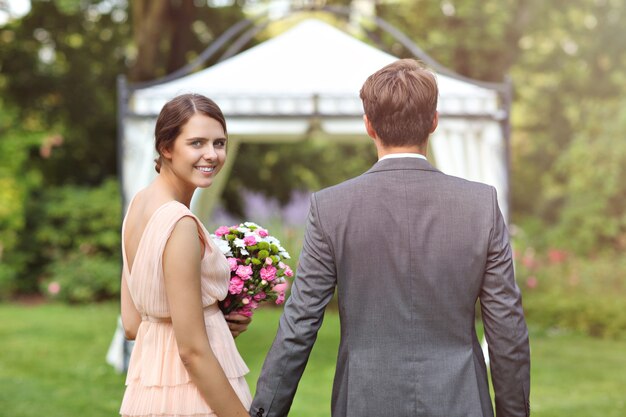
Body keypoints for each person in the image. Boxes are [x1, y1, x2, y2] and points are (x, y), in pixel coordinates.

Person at [249, 59, 530, 417]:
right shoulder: (480, 204)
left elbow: (299, 325)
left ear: (368, 126)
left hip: (365, 401)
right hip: (461, 402)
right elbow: (507, 329)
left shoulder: (331, 207)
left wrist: (265, 412)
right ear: (434, 121)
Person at [120, 93, 251, 417]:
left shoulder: (139, 205)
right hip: (192, 397)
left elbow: (133, 324)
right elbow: (192, 351)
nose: (211, 155)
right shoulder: (178, 223)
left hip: (152, 392)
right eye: (197, 143)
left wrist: (214, 320)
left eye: (219, 143)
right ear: (166, 148)